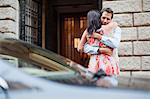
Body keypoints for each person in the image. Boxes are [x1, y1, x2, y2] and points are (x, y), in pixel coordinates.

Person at [77, 8, 121, 87]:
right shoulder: (93, 30)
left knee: (109, 86)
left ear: (111, 19)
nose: (105, 21)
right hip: (95, 63)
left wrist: (99, 37)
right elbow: (83, 47)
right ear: (99, 17)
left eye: (108, 19)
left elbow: (115, 44)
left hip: (109, 62)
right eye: (103, 18)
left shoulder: (115, 29)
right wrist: (99, 50)